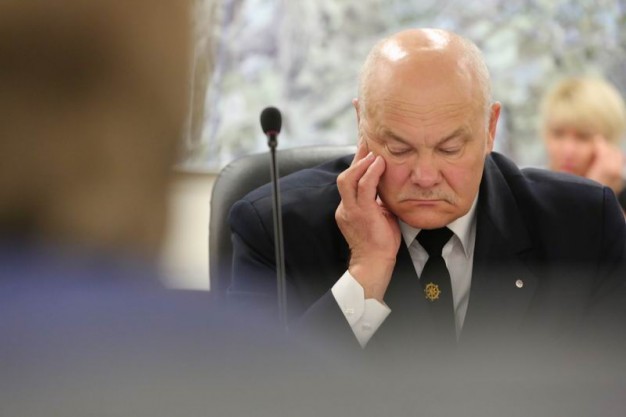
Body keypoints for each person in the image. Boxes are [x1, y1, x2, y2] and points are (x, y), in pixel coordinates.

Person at [229, 29, 626, 354]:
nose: (424, 176)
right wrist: (365, 273)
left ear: (490, 128)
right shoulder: (274, 228)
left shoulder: (584, 225)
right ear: (362, 123)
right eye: (399, 149)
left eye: (449, 149)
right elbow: (256, 395)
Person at [540, 76, 626, 212]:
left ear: (609, 142)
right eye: (558, 134)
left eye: (583, 137)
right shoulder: (530, 197)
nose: (568, 150)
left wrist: (598, 192)